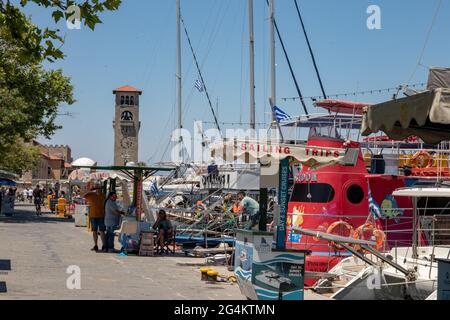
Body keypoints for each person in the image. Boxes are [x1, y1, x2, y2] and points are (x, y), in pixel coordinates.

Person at [84, 186, 106, 252]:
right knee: (95, 231)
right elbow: (83, 195)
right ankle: (96, 245)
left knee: (102, 231)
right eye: (97, 188)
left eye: (99, 188)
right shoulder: (91, 195)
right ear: (95, 189)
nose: (98, 190)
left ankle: (104, 245)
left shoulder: (103, 196)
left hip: (101, 215)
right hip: (93, 216)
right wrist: (90, 190)